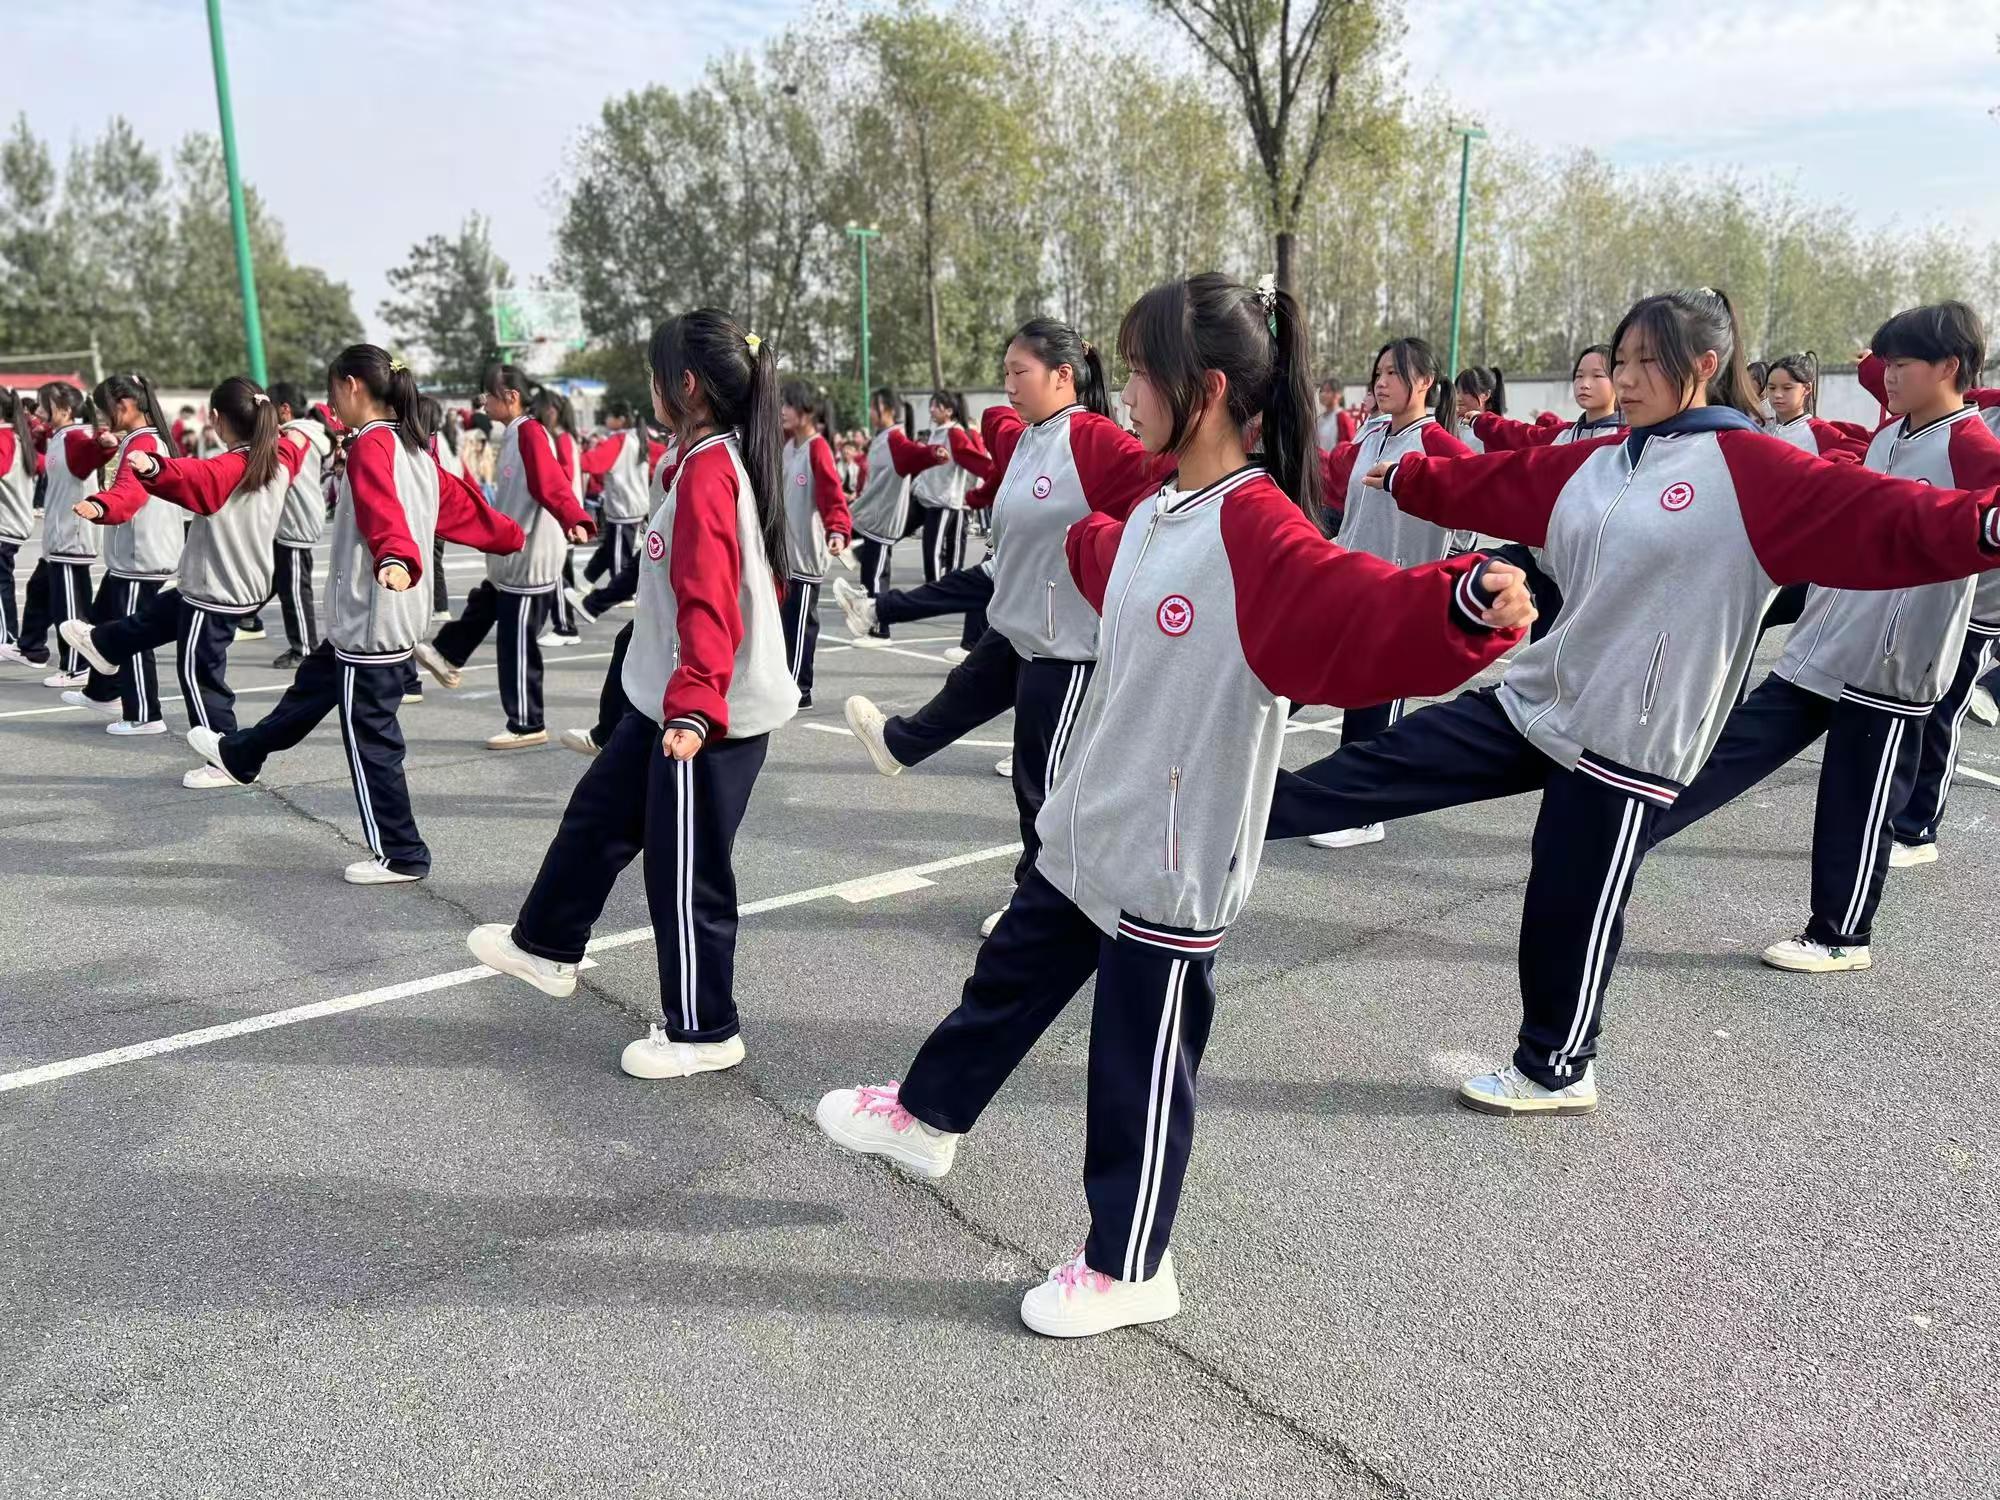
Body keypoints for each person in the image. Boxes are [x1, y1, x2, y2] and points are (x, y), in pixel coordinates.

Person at [818, 272, 1530, 1338]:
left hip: (1170, 852)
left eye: (1142, 373)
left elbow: (1359, 607)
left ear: (1205, 388)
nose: (1128, 394)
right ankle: (926, 1116)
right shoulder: (1160, 506)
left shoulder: (1258, 526)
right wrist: (1068, 546)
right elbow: (1105, 553)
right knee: (1005, 977)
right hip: (1094, 823)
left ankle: (1129, 1264)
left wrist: (1464, 600)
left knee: (1139, 1062)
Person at [1264, 286, 2000, 1118]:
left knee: (1566, 902)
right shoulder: (1609, 456)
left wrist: (1986, 528)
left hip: (1631, 734)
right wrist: (1414, 479)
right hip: (1545, 695)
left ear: (1705, 366)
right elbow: (1506, 481)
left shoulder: (1758, 469)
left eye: (1650, 361)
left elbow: (1892, 517)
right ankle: (1221, 828)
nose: (1627, 377)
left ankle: (1557, 1067)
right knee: (1373, 767)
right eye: (1622, 360)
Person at [466, 309, 798, 1079]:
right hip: (667, 698)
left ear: (686, 385)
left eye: (654, 375)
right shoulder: (700, 458)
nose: (650, 387)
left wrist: (696, 705)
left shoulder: (713, 470)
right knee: (596, 819)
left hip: (704, 713)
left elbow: (710, 600)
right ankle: (546, 945)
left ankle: (704, 1031)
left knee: (684, 872)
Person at [1645, 302, 1998, 971]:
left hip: (1893, 659)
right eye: (1886, 363)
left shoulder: (1972, 448)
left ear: (1948, 367)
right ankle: (1626, 836)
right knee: (1731, 747)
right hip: (1826, 639)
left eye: (1902, 364)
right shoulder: (1891, 436)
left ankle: (1841, 936)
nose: (1887, 376)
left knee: (1855, 798)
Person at [181, 346, 523, 881]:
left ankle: (401, 854)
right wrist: (509, 535)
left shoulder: (371, 445)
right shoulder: (412, 444)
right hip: (373, 616)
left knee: (371, 740)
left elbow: (385, 512)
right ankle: (241, 754)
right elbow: (457, 505)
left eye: (333, 390)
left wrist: (397, 558)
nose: (332, 402)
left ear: (352, 385)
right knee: (309, 691)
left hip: (373, 618)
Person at [63, 377, 302, 750]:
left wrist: (152, 468)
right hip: (233, 583)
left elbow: (194, 477)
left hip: (216, 588)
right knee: (159, 615)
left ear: (217, 419)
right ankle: (103, 644)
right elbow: (292, 448)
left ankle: (226, 754)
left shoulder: (230, 466)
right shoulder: (279, 457)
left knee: (198, 673)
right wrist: (301, 435)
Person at [1308, 337, 1471, 849]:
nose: (1381, 383)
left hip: (1400, 593)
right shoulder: (1373, 432)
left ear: (1424, 382)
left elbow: (1473, 503)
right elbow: (1336, 481)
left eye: (1394, 374)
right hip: (1351, 583)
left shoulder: (1438, 443)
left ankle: (1365, 814)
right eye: (1378, 373)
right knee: (1336, 687)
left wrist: (1440, 572)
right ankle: (1341, 799)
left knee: (1376, 705)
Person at [413, 364, 594, 749]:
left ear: (510, 397)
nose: (483, 402)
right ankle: (447, 654)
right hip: (511, 555)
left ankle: (527, 723)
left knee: (516, 644)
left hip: (530, 558)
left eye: (488, 395)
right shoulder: (514, 433)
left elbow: (551, 484)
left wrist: (575, 518)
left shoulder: (529, 433)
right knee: (487, 599)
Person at [69, 374, 173, 732]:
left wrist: (99, 505)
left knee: (132, 634)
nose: (101, 417)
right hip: (133, 555)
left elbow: (130, 493)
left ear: (125, 405)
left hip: (140, 556)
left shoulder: (143, 443)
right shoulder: (146, 438)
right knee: (103, 620)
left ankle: (144, 714)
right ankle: (103, 692)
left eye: (104, 409)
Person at [9, 382, 100, 682]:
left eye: (43, 404)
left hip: (71, 537)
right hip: (56, 536)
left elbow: (92, 455)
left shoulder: (77, 437)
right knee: (39, 591)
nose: (38, 410)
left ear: (64, 409)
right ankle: (31, 648)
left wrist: (106, 444)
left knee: (70, 607)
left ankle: (78, 666)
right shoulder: (58, 436)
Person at [776, 381, 851, 705]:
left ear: (807, 411)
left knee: (800, 626)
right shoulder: (787, 445)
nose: (782, 411)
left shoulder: (817, 449)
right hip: (784, 554)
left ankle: (799, 690)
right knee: (784, 625)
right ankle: (786, 685)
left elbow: (833, 497)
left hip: (806, 555)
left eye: (788, 405)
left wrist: (837, 531)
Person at [268, 382, 335, 668]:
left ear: (284, 409)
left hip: (297, 522)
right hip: (294, 520)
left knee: (295, 590)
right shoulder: (306, 433)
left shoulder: (296, 435)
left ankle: (305, 648)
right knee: (283, 584)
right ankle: (247, 620)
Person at [0, 387, 32, 655]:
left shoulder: (4, 438)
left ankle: (6, 638)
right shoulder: (17, 437)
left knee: (1, 583)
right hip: (14, 522)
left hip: (5, 524)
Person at [1314, 376, 1356, 452]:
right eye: (1322, 391)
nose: (1323, 394)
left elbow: (1349, 448)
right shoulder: (1319, 419)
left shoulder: (1343, 418)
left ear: (1338, 394)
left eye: (1327, 391)